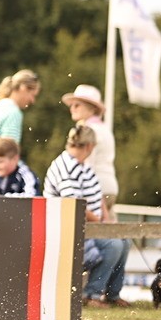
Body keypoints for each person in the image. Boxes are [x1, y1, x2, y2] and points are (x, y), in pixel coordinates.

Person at [43, 124, 130, 308]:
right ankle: (92, 293)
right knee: (113, 245)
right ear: (90, 146)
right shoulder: (66, 167)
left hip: (90, 225)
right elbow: (74, 206)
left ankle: (113, 293)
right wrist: (100, 222)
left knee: (124, 240)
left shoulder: (83, 166)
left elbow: (98, 197)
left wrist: (106, 221)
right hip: (69, 227)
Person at [61, 84, 118, 220]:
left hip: (94, 189)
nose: (72, 108)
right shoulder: (104, 129)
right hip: (109, 186)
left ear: (91, 109)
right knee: (109, 233)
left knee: (86, 233)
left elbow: (84, 164)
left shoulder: (86, 131)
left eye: (77, 105)